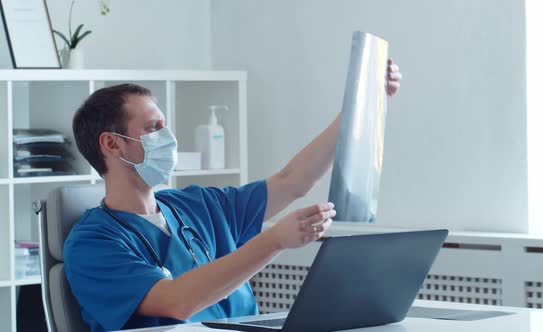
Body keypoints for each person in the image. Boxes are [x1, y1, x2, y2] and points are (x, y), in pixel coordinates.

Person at [64, 60, 402, 332]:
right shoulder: (93, 242)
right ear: (111, 144)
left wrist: (361, 108)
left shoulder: (197, 205)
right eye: (153, 128)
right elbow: (177, 302)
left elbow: (293, 181)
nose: (167, 137)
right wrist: (274, 241)